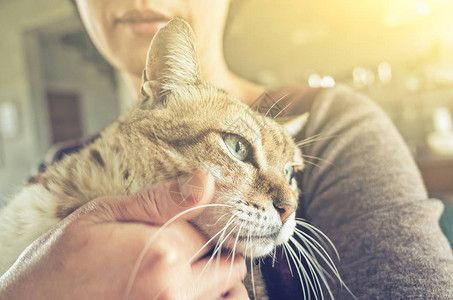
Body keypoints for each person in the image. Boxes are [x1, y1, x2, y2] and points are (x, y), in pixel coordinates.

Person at [1, 0, 453, 299]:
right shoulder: (57, 161)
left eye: (291, 173)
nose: (286, 203)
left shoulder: (339, 123)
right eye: (239, 148)